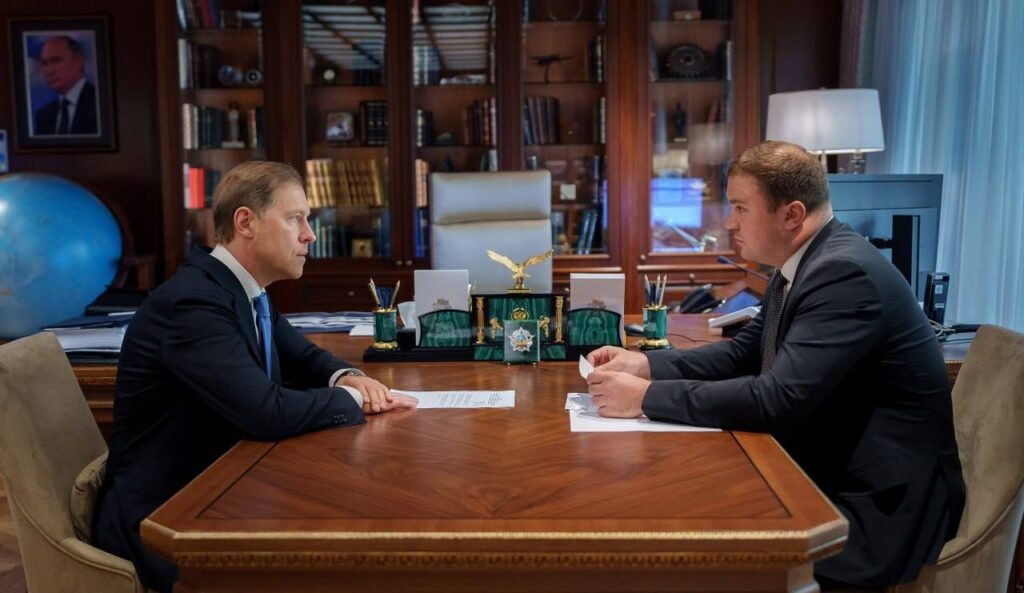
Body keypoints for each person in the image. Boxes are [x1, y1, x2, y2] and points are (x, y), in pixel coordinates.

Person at [586, 141, 965, 590]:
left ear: (792, 214)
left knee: (694, 544)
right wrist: (645, 366)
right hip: (827, 471)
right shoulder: (800, 265)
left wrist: (645, 398)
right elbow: (742, 354)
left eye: (741, 208)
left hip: (876, 511)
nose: (730, 223)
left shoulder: (844, 275)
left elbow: (776, 399)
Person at [92, 161, 417, 593]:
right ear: (245, 222)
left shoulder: (243, 291)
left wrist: (347, 376)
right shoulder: (193, 304)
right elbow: (266, 413)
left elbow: (303, 357)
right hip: (167, 519)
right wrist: (358, 400)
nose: (310, 235)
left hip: (227, 488)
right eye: (295, 219)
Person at [33, 35, 98, 135]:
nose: (48, 71)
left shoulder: (99, 103)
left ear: (78, 62)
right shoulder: (43, 116)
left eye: (56, 61)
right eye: (44, 63)